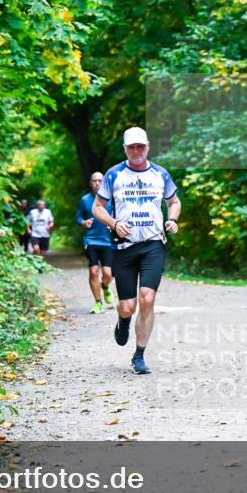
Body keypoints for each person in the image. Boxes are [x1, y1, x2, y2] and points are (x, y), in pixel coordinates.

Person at [93, 126, 180, 374]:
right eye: (131, 147)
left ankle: (139, 355)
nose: (136, 151)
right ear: (125, 149)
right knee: (128, 306)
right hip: (124, 247)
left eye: (140, 146)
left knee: (148, 298)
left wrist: (172, 219)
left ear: (148, 146)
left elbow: (174, 202)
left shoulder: (160, 175)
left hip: (153, 244)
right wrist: (114, 223)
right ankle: (123, 320)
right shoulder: (113, 175)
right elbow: (98, 208)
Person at [76, 172, 116, 314]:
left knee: (108, 274)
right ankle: (98, 302)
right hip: (91, 240)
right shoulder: (85, 200)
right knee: (93, 271)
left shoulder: (112, 199)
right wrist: (83, 222)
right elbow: (78, 217)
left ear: (104, 183)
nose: (97, 183)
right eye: (95, 181)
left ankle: (105, 287)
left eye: (100, 180)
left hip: (108, 241)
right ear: (90, 183)